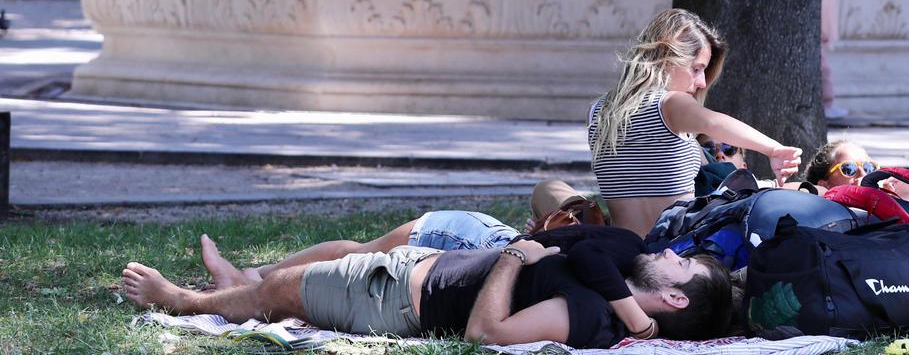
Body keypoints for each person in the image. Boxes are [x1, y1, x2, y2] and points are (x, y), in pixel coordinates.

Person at [123, 225, 732, 346]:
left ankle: (183, 301)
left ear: (675, 298)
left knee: (278, 292)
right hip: (420, 266)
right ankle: (232, 289)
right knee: (306, 271)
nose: (670, 253)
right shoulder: (613, 275)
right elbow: (584, 244)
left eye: (681, 266)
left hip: (395, 296)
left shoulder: (590, 315)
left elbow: (485, 332)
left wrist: (513, 258)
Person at [589, 8, 801, 237]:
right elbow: (714, 123)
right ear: (667, 59)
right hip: (675, 247)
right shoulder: (669, 103)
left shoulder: (599, 110)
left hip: (623, 245)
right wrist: (773, 149)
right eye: (697, 69)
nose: (702, 82)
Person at [196, 179, 605, 289]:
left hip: (483, 250)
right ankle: (254, 278)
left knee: (358, 268)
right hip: (470, 241)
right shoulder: (615, 235)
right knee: (358, 258)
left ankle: (255, 280)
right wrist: (556, 223)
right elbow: (548, 189)